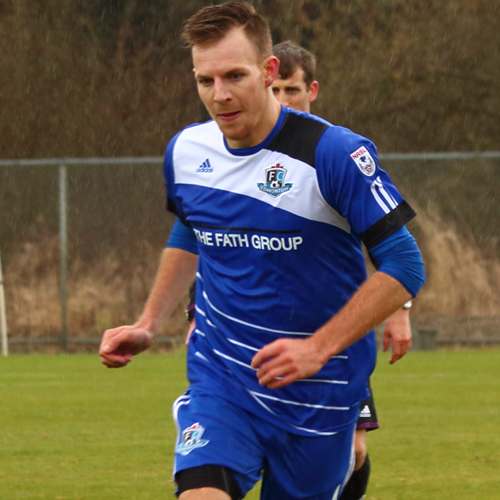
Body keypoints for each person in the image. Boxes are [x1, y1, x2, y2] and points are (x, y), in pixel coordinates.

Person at [99, 3, 425, 500]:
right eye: (205, 80)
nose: (220, 95)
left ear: (270, 71)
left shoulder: (332, 153)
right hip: (223, 379)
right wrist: (149, 323)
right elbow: (191, 231)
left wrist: (317, 348)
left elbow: (404, 263)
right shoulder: (186, 151)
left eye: (235, 76)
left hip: (321, 393)